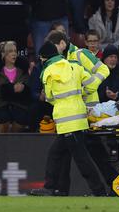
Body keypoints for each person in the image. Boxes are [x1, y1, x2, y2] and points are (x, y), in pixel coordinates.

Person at [30, 42, 108, 197]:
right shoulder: (75, 65)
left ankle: (98, 191)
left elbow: (50, 97)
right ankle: (51, 187)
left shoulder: (48, 72)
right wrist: (80, 93)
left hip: (65, 121)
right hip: (79, 118)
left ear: (44, 58)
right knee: (56, 153)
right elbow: (91, 85)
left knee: (81, 159)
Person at [0, 41, 30, 133]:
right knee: (2, 116)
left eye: (15, 51)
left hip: (18, 103)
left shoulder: (22, 70)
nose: (14, 54)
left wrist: (23, 89)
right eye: (10, 51)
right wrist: (11, 89)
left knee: (22, 117)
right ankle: (3, 138)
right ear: (3, 54)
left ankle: (12, 138)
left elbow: (28, 87)